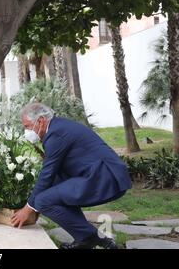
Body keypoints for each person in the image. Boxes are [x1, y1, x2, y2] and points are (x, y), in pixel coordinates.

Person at [11, 103, 132, 249]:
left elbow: (46, 174)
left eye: (27, 126)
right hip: (95, 174)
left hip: (104, 177)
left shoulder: (56, 133)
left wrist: (28, 208)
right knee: (54, 187)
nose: (26, 131)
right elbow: (54, 171)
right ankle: (85, 238)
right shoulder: (57, 127)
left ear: (41, 121)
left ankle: (92, 238)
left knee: (42, 201)